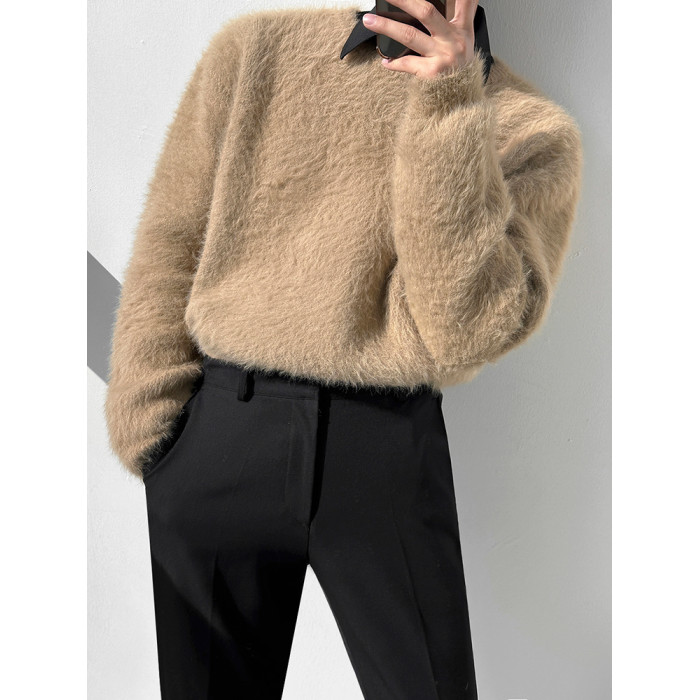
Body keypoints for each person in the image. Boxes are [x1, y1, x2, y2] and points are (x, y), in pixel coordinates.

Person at [104, 1, 584, 698]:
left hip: (383, 450)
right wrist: (152, 430)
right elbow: (171, 240)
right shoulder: (254, 52)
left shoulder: (531, 130)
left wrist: (451, 107)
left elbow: (464, 330)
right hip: (222, 435)